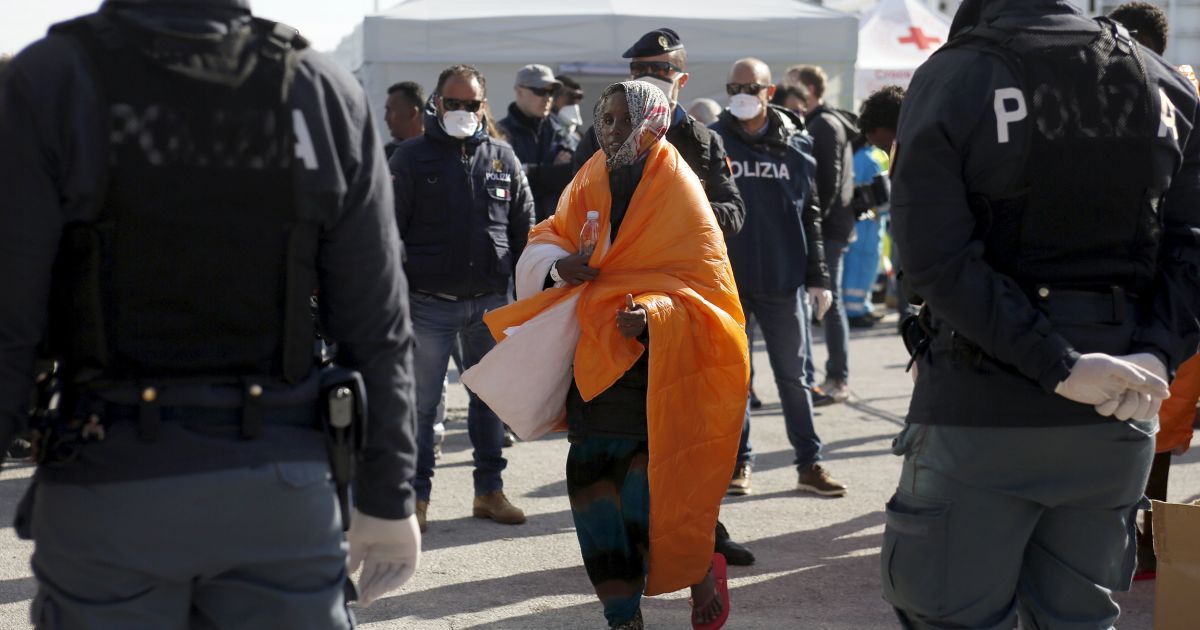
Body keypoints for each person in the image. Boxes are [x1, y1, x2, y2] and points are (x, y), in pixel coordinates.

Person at [1, 0, 423, 625]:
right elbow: (376, 322)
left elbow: (10, 315)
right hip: (282, 487)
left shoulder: (51, 78)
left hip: (109, 481)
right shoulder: (318, 86)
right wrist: (389, 494)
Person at [884, 1, 1199, 628]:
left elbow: (933, 259)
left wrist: (1059, 364)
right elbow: (1191, 242)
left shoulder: (956, 74)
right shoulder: (1157, 79)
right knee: (1080, 618)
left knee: (953, 615)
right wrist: (1156, 350)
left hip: (986, 405)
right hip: (1117, 408)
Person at [488, 80, 745, 630]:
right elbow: (549, 234)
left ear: (650, 121)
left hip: (656, 373)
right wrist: (560, 267)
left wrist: (654, 314)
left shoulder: (679, 187)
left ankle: (699, 570)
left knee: (648, 503)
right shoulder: (591, 175)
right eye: (603, 118)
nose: (609, 129)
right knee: (590, 492)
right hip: (594, 361)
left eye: (620, 120)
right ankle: (621, 614)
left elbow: (706, 291)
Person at [573, 27, 753, 567]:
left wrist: (681, 218)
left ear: (681, 79)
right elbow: (577, 206)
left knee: (693, 426)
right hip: (617, 308)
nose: (648, 80)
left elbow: (733, 212)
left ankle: (703, 534)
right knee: (624, 431)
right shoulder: (605, 130)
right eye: (640, 71)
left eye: (660, 71)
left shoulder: (701, 141)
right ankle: (632, 539)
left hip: (683, 306)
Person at [390, 64, 534, 532]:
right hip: (428, 303)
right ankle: (416, 500)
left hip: (489, 302)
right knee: (422, 406)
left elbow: (525, 229)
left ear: (482, 106)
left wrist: (524, 297)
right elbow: (388, 232)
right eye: (452, 103)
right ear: (436, 103)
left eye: (470, 104)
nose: (461, 111)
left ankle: (489, 493)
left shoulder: (503, 159)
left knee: (490, 401)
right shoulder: (410, 159)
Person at [711, 58, 845, 499]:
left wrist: (819, 276)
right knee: (736, 381)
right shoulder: (713, 140)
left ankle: (810, 464)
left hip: (784, 279)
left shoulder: (797, 144)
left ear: (770, 91)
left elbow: (811, 213)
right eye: (734, 86)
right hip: (731, 282)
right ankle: (737, 464)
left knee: (794, 377)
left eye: (749, 86)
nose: (741, 94)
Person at [791, 64, 856, 406]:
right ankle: (830, 376)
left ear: (810, 89)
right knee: (825, 304)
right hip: (830, 228)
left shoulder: (825, 124)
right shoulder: (822, 122)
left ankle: (837, 378)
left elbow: (826, 185)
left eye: (794, 86)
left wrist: (813, 226)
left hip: (829, 230)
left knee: (829, 304)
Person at [842, 86, 904, 329]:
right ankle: (857, 309)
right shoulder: (868, 159)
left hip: (862, 221)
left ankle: (859, 307)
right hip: (868, 222)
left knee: (859, 268)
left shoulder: (859, 155)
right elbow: (880, 196)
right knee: (862, 267)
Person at [498, 64, 576, 222]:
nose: (548, 98)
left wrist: (530, 171)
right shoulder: (500, 134)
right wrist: (551, 172)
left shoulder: (560, 131)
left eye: (552, 92)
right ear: (519, 91)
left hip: (556, 227)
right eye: (540, 91)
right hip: (516, 227)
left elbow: (575, 173)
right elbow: (504, 184)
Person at [383, 80, 425, 158]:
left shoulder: (443, 153)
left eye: (390, 111)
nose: (386, 118)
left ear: (412, 113)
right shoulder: (384, 157)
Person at [552, 74, 585, 143]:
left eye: (577, 98)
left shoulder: (580, 138)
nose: (574, 104)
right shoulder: (545, 133)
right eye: (570, 96)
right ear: (553, 98)